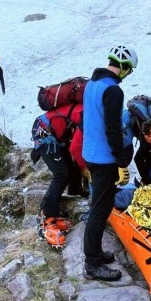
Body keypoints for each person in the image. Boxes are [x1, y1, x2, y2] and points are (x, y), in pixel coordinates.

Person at [81, 45, 137, 281]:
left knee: (99, 205)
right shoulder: (113, 90)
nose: (128, 75)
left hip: (91, 153)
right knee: (99, 209)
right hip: (104, 158)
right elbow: (113, 128)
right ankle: (92, 264)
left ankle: (95, 253)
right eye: (129, 70)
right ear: (123, 67)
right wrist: (122, 159)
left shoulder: (92, 83)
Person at [31, 104, 87, 247]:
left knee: (70, 165)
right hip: (45, 132)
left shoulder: (89, 113)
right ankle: (47, 214)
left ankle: (75, 189)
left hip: (55, 131)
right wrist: (84, 167)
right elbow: (75, 148)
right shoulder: (86, 118)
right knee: (61, 174)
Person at [122, 96, 151, 186]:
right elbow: (138, 159)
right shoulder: (147, 141)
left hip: (148, 131)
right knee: (130, 152)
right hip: (132, 126)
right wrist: (146, 179)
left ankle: (146, 180)